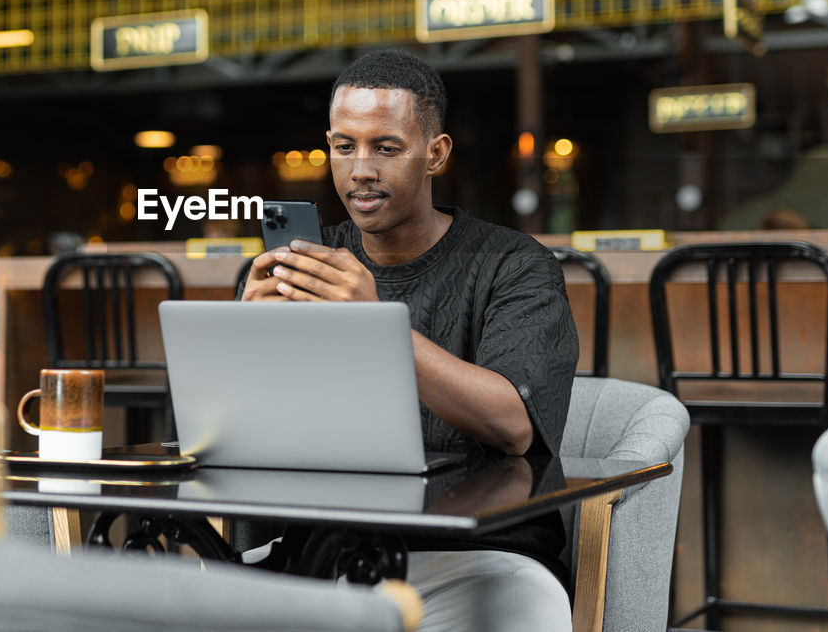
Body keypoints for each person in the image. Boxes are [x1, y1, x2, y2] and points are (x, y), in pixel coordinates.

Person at [242, 49, 579, 631]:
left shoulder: (514, 265)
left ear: (435, 154)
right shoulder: (303, 266)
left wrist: (377, 326)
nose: (360, 169)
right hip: (326, 551)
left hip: (477, 556)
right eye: (344, 147)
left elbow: (513, 424)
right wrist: (245, 348)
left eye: (386, 148)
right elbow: (237, 444)